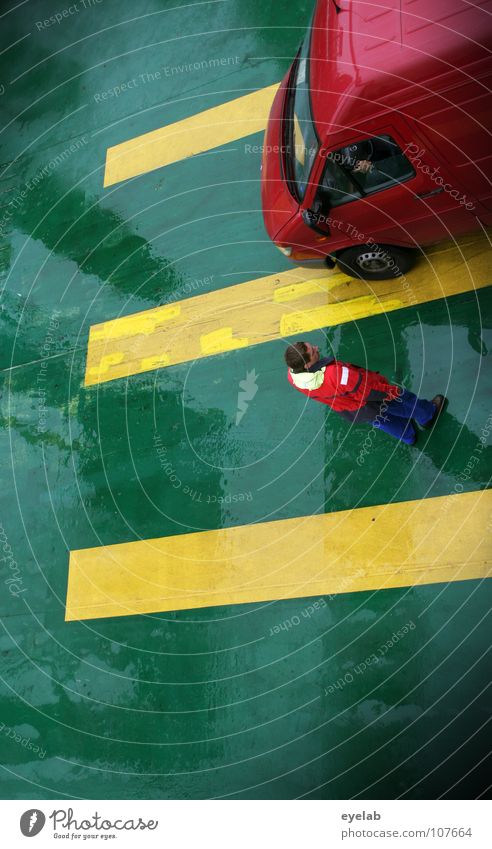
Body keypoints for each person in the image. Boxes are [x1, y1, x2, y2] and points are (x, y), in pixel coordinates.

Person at [284, 341, 446, 446]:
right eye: (313, 351)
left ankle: (408, 436)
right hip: (369, 400)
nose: (317, 348)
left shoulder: (293, 377)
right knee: (403, 401)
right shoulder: (336, 375)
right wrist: (389, 392)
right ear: (306, 364)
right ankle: (427, 415)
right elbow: (366, 389)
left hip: (350, 410)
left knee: (383, 421)